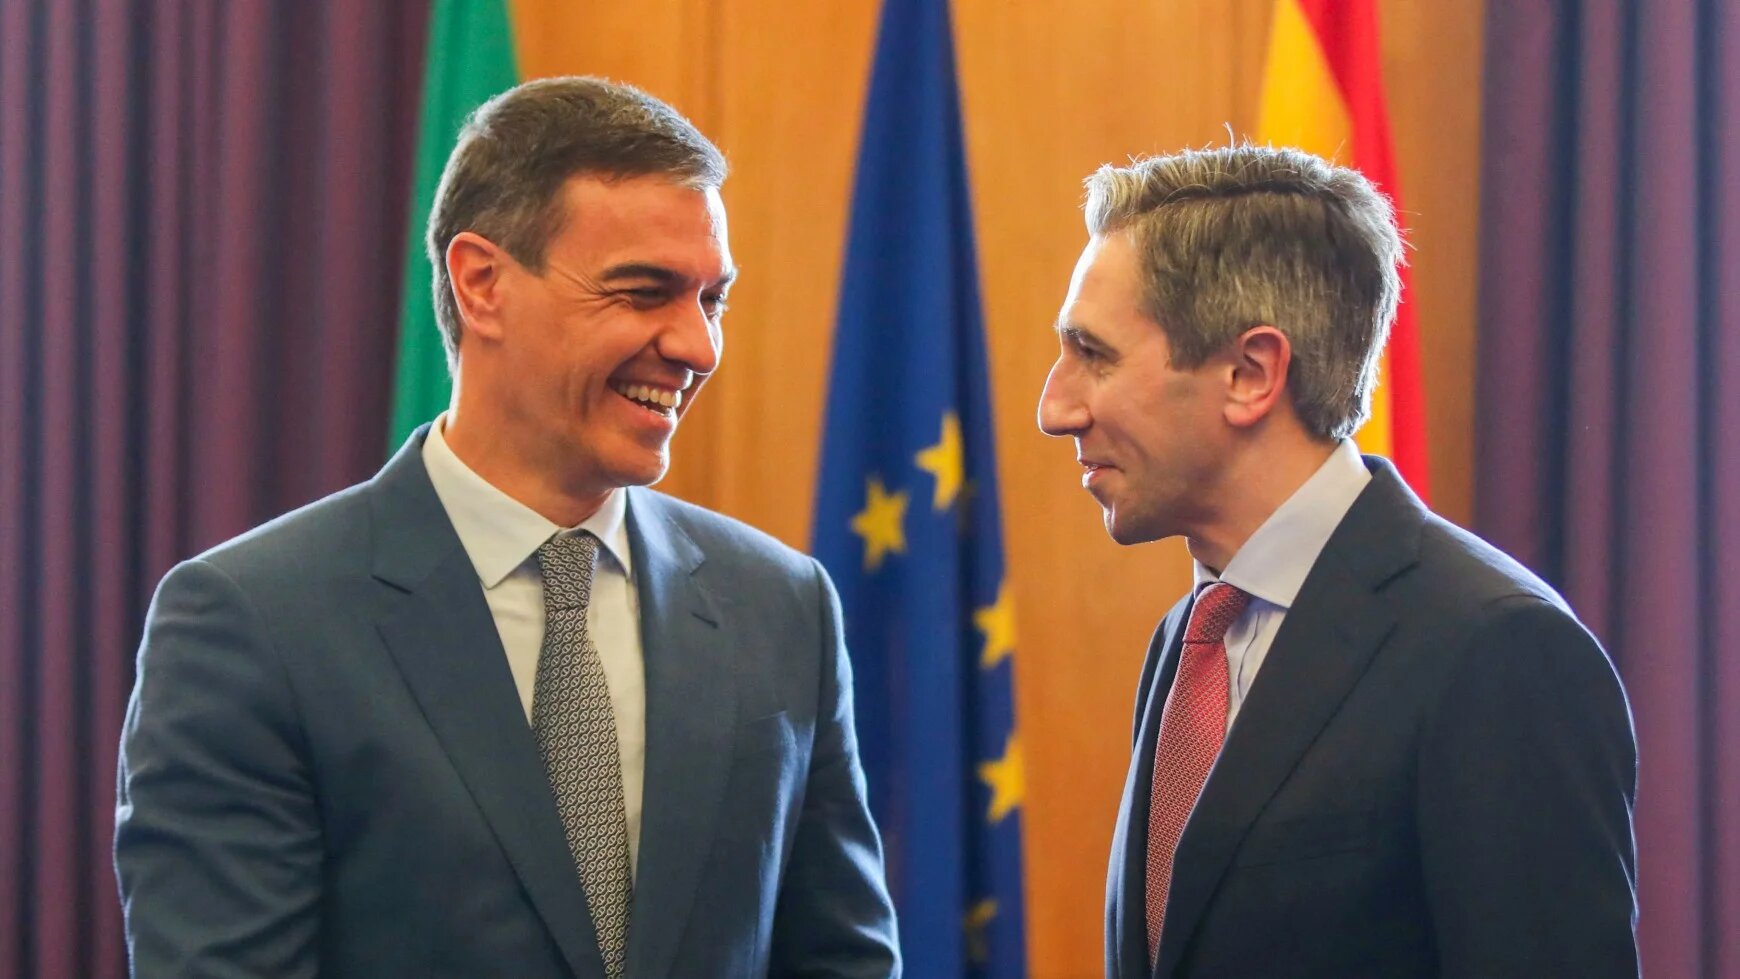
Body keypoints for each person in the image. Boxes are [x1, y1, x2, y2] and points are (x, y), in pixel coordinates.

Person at [115, 76, 899, 979]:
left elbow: (842, 960)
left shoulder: (783, 608)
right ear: (482, 283)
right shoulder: (254, 623)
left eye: (710, 299)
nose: (696, 346)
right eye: (645, 292)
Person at [1037, 145, 1638, 978]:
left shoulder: (1497, 650)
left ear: (1250, 374)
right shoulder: (1192, 637)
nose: (1054, 407)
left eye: (1093, 355)